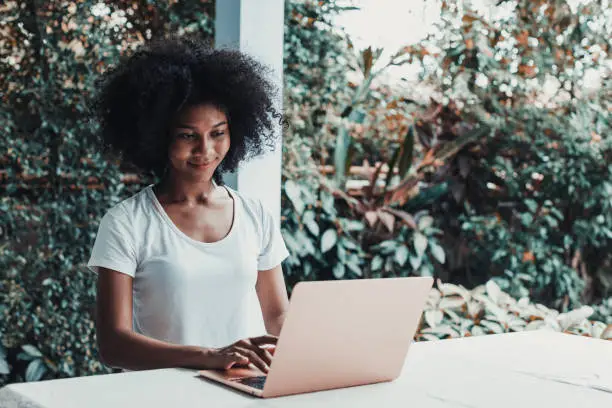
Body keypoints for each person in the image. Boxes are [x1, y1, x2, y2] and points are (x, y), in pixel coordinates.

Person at [87, 36, 290, 374]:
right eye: (187, 135)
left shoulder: (254, 215)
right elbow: (114, 345)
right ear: (157, 135)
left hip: (242, 390)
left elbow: (277, 314)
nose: (205, 150)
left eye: (218, 133)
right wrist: (210, 356)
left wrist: (316, 345)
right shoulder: (126, 223)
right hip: (164, 395)